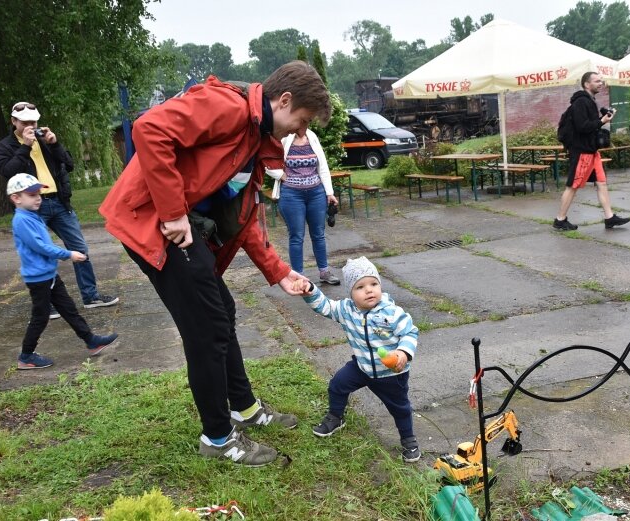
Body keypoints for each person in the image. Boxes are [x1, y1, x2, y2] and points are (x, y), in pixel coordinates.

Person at [99, 61, 332, 467]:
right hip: (155, 224)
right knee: (207, 327)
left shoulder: (254, 143)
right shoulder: (227, 106)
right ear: (284, 100)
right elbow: (149, 129)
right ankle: (219, 439)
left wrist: (280, 272)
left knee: (222, 311)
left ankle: (243, 407)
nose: (300, 131)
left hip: (180, 226)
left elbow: (241, 222)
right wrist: (172, 213)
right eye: (302, 121)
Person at [0, 102, 119, 316]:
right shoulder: (5, 146)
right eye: (25, 123)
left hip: (59, 202)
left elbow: (69, 165)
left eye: (33, 122)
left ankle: (91, 296)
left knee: (80, 249)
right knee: (41, 254)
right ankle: (50, 304)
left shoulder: (44, 140)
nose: (30, 126)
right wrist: (25, 146)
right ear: (13, 122)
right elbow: (8, 171)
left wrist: (54, 144)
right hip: (32, 207)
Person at [295, 256, 421, 463]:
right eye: (360, 287)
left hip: (390, 374)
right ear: (351, 293)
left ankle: (409, 440)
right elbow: (325, 306)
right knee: (337, 384)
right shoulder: (346, 310)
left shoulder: (391, 312)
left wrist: (403, 353)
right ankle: (336, 417)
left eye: (373, 284)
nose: (369, 290)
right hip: (361, 367)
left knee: (400, 408)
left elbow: (410, 333)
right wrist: (310, 290)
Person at [7, 174, 119, 370]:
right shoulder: (22, 221)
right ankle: (26, 356)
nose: (38, 197)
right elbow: (40, 247)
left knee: (69, 309)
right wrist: (68, 254)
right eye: (32, 194)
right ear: (16, 198)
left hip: (49, 275)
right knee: (40, 317)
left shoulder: (31, 216)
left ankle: (91, 341)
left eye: (39, 193)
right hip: (38, 279)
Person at [553, 72, 630, 231]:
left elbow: (589, 125)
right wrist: (602, 121)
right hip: (582, 151)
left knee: (601, 182)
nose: (600, 83)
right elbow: (582, 127)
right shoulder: (581, 102)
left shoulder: (589, 101)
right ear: (587, 84)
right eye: (596, 81)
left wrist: (602, 119)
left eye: (601, 81)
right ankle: (560, 219)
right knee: (573, 185)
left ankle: (609, 217)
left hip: (591, 151)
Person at [272, 128, 340, 285]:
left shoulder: (312, 136)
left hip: (316, 193)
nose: (305, 123)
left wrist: (329, 192)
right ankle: (299, 278)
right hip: (292, 195)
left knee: (319, 234)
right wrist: (280, 175)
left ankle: (324, 272)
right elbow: (266, 162)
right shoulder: (283, 137)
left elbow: (322, 166)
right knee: (296, 236)